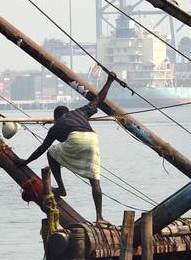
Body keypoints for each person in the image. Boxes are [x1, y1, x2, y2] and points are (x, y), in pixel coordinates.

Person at [20, 71, 119, 222]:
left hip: (76, 138)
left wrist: (25, 162)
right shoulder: (81, 112)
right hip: (92, 139)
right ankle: (99, 217)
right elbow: (99, 99)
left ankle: (61, 188)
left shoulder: (56, 126)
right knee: (95, 180)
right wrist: (110, 81)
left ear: (55, 118)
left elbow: (42, 148)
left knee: (51, 153)